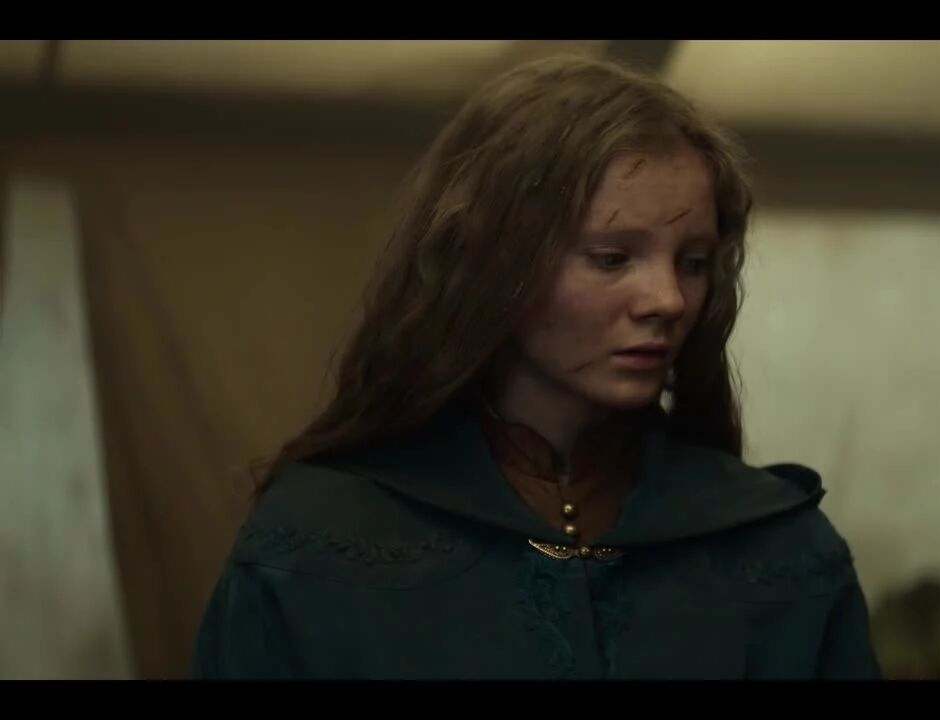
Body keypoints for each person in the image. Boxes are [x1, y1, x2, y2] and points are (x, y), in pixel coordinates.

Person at [190, 55, 880, 680]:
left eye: (692, 262)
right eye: (612, 258)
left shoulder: (781, 550)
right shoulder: (318, 540)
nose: (668, 299)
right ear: (494, 263)